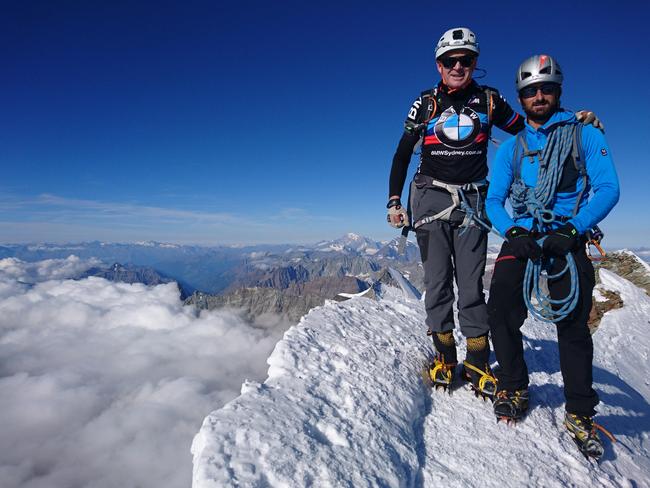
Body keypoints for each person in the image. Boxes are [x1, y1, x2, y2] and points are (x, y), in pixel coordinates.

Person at [485, 54, 619, 458]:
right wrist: (512, 230)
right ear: (521, 97)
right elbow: (494, 200)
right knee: (500, 308)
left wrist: (572, 229)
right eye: (530, 91)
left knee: (573, 325)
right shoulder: (511, 148)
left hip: (566, 235)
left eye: (546, 89)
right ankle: (513, 384)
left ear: (558, 92)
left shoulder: (585, 135)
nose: (538, 96)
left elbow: (608, 188)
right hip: (524, 234)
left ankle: (579, 411)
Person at [387, 27, 526, 399]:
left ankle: (477, 361)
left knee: (469, 284)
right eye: (451, 61)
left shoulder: (490, 102)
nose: (458, 66)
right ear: (439, 64)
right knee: (436, 281)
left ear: (475, 63)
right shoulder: (426, 103)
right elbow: (402, 154)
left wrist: (572, 126)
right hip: (430, 199)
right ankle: (446, 358)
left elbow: (528, 132)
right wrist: (393, 201)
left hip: (473, 202)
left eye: (466, 60)